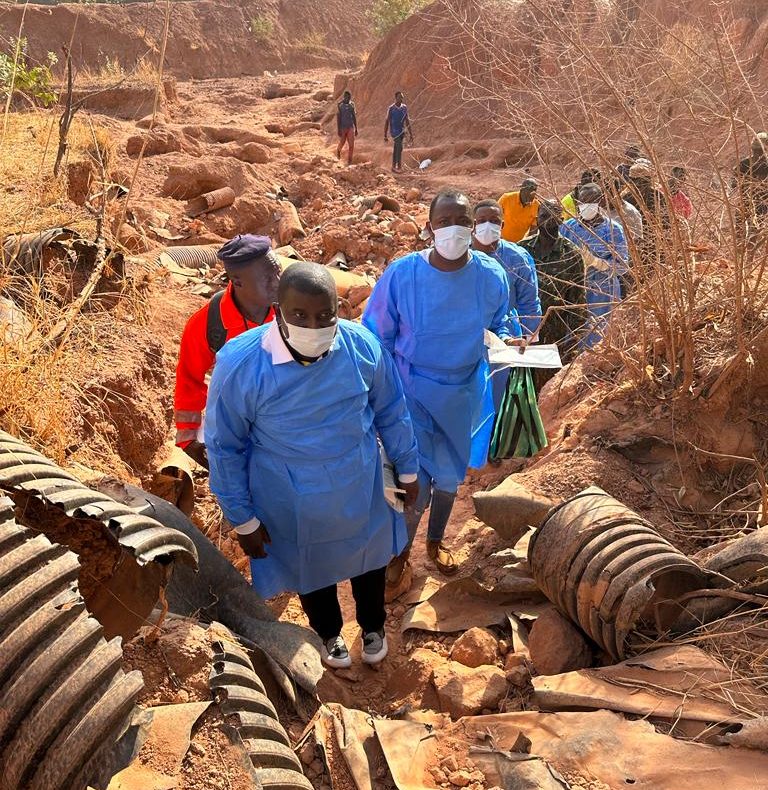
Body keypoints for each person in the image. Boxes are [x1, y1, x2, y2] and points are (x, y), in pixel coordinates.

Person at [205, 263, 419, 669]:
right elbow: (223, 446)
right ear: (278, 309)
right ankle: (329, 633)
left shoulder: (361, 347)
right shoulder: (243, 364)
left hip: (359, 482)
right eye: (299, 315)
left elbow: (391, 409)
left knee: (369, 559)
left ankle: (373, 626)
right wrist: (243, 519)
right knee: (310, 570)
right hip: (288, 493)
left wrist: (407, 469)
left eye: (325, 316)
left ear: (338, 311)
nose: (313, 325)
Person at [362, 188, 521, 597]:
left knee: (449, 479)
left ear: (473, 227)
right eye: (444, 221)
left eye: (462, 221)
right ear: (429, 227)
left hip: (464, 391)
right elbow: (376, 336)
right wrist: (378, 394)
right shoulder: (402, 275)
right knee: (415, 480)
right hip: (410, 391)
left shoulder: (491, 276)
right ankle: (399, 553)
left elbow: (503, 320)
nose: (454, 229)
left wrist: (507, 339)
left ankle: (435, 541)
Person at [174, 235, 280, 469]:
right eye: (268, 278)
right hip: (237, 427)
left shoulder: (291, 310)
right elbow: (188, 381)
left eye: (278, 272)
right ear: (237, 281)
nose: (277, 282)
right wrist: (189, 439)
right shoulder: (208, 324)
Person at [560, 182, 628, 348]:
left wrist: (596, 262)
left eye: (592, 201)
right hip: (574, 288)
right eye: (583, 202)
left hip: (603, 291)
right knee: (574, 334)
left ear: (601, 201)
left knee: (600, 336)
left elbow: (622, 265)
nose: (586, 206)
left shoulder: (613, 230)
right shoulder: (568, 228)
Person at [520, 201, 584, 362]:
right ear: (537, 219)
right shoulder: (521, 250)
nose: (548, 221)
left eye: (554, 216)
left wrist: (573, 344)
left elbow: (577, 303)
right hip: (522, 332)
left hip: (556, 335)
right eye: (544, 216)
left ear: (561, 219)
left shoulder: (572, 254)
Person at [472, 199, 541, 337]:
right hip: (467, 333)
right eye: (482, 221)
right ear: (474, 225)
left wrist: (529, 340)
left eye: (494, 221)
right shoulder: (460, 255)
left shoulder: (518, 258)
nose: (488, 225)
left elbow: (529, 303)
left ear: (502, 225)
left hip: (507, 335)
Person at [735, 132, 768, 235]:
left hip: (746, 204)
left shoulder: (743, 164)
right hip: (763, 207)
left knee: (742, 237)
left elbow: (734, 185)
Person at [499, 178, 539, 242]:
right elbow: (494, 216)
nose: (530, 195)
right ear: (521, 190)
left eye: (533, 191)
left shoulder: (537, 206)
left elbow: (533, 230)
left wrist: (526, 244)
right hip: (501, 240)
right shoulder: (506, 198)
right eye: (528, 192)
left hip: (519, 244)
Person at [384, 91, 413, 173]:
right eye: (400, 97)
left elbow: (407, 121)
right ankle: (399, 166)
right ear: (396, 98)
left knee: (397, 148)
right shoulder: (391, 108)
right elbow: (387, 121)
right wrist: (385, 135)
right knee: (399, 146)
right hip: (394, 131)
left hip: (401, 131)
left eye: (402, 97)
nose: (402, 99)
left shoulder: (404, 107)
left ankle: (393, 166)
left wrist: (411, 134)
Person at [336, 90, 358, 166]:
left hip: (350, 127)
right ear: (344, 97)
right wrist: (338, 129)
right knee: (342, 142)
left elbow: (354, 116)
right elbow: (338, 118)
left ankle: (349, 161)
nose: (348, 99)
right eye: (347, 97)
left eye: (349, 97)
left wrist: (356, 128)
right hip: (342, 127)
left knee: (351, 145)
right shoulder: (340, 105)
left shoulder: (352, 105)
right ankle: (338, 151)